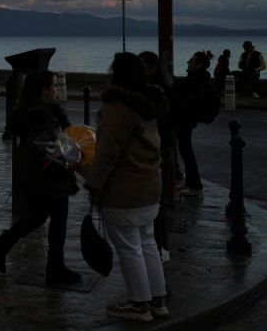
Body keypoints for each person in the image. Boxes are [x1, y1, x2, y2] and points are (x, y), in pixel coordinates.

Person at [86, 52, 169, 323]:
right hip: (149, 185)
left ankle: (139, 304)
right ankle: (158, 300)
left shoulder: (118, 107)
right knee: (147, 243)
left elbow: (108, 152)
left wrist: (94, 184)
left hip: (124, 189)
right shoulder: (147, 103)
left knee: (129, 246)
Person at [0, 70, 81, 285]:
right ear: (44, 90)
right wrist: (72, 156)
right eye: (54, 86)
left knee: (38, 216)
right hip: (47, 175)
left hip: (36, 174)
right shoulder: (38, 115)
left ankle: (1, 245)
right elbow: (47, 145)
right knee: (57, 219)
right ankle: (55, 268)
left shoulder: (33, 111)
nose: (56, 89)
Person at [138, 51, 178, 258]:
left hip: (159, 150)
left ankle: (160, 246)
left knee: (157, 202)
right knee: (157, 202)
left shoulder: (154, 94)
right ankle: (158, 247)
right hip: (163, 149)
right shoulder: (163, 92)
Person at [173, 51, 218, 196]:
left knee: (186, 151)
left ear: (198, 64)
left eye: (191, 60)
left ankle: (195, 186)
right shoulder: (200, 79)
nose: (188, 62)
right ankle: (190, 182)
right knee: (185, 150)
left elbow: (183, 92)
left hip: (186, 119)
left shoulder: (196, 81)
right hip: (188, 119)